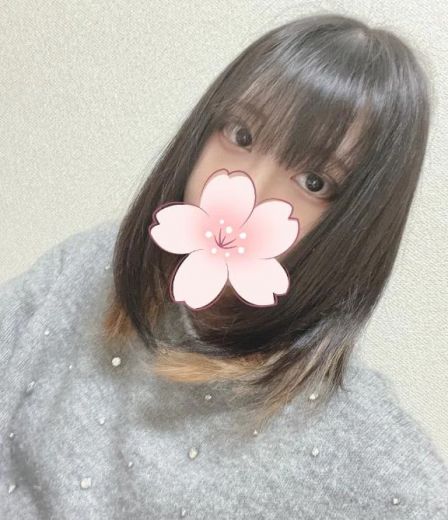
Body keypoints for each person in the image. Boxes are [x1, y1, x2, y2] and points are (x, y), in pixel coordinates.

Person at [1, 12, 447, 520]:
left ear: (358, 226)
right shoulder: (92, 261)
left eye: (315, 181)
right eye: (241, 133)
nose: (247, 187)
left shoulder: (353, 438)